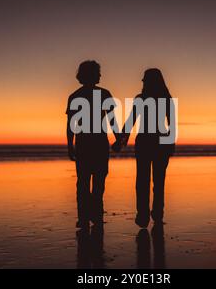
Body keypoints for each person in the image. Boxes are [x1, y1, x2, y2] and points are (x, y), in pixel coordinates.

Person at [113, 68, 175, 228]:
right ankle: (156, 213)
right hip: (160, 142)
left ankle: (143, 215)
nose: (143, 82)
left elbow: (131, 121)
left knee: (142, 180)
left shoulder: (142, 98)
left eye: (145, 80)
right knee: (158, 181)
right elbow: (172, 125)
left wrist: (121, 140)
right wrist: (171, 144)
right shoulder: (166, 99)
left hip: (146, 142)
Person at [66, 60, 120, 228]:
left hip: (84, 144)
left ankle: (84, 217)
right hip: (98, 144)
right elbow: (112, 120)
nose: (100, 75)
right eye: (98, 72)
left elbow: (70, 125)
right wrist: (118, 138)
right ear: (91, 75)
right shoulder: (104, 93)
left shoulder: (75, 96)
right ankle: (94, 215)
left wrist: (70, 145)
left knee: (83, 182)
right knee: (98, 182)